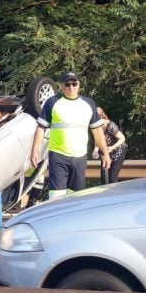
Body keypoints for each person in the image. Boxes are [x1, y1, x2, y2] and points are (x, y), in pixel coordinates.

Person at [30, 71, 111, 199]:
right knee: (56, 198)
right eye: (67, 84)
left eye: (74, 84)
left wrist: (105, 153)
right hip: (58, 156)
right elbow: (41, 128)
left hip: (79, 157)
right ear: (61, 86)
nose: (71, 87)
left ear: (79, 85)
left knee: (76, 198)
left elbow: (97, 131)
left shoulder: (88, 103)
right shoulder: (52, 102)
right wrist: (35, 151)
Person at [92, 107, 127, 184]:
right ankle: (105, 195)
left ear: (100, 116)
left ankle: (115, 194)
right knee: (104, 178)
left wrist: (112, 147)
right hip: (106, 152)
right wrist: (95, 151)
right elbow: (97, 140)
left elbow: (122, 138)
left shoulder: (110, 125)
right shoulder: (95, 127)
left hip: (118, 151)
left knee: (112, 177)